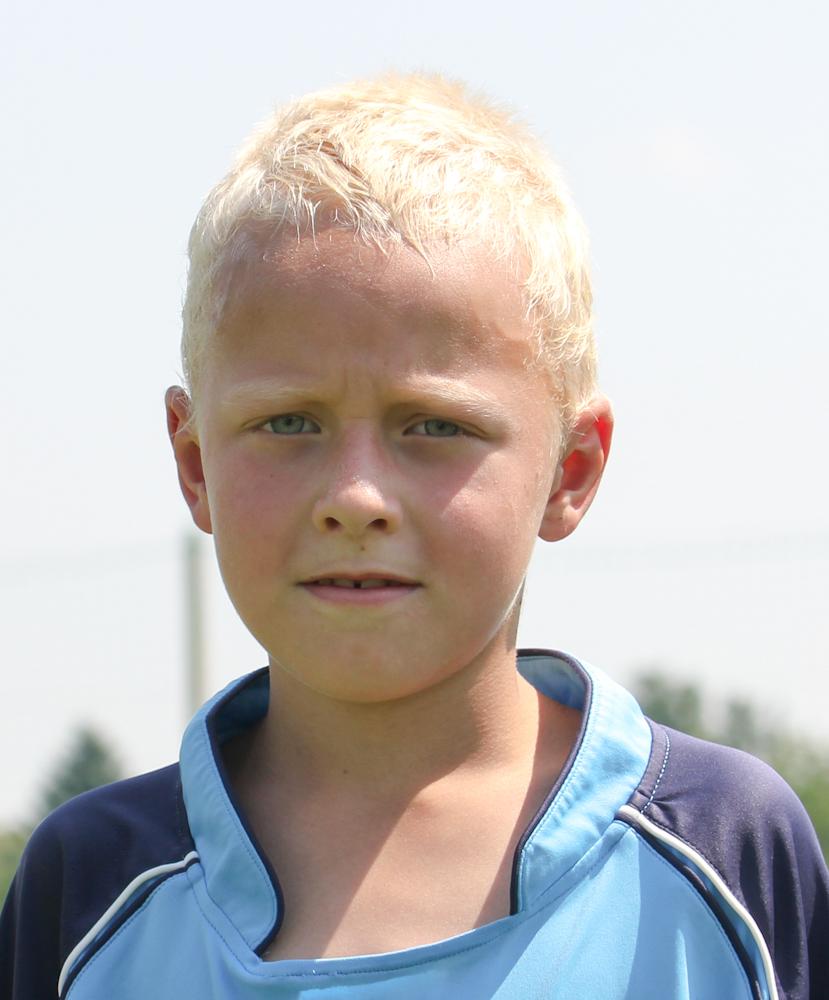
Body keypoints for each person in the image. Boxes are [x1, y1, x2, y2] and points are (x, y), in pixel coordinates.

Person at [1, 73, 826, 1000]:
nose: (355, 498)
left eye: (434, 426)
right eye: (288, 423)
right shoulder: (87, 888)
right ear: (195, 464)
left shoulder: (725, 851)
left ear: (570, 470)